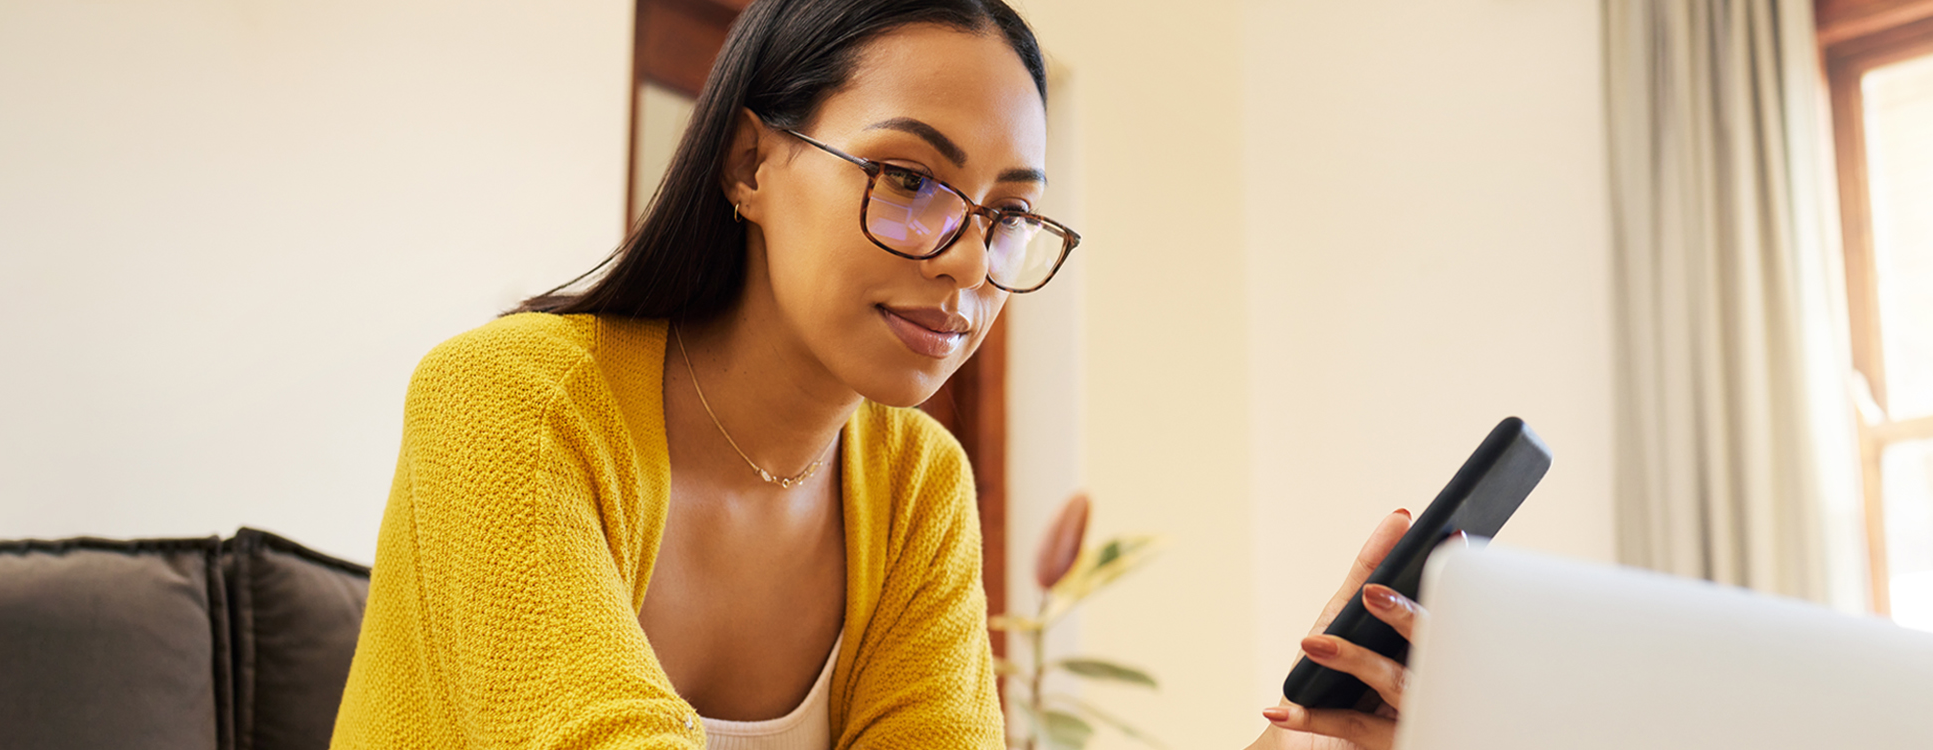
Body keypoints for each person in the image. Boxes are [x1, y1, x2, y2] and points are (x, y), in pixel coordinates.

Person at [329, 1, 1422, 749]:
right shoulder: (510, 400)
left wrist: (1295, 740)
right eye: (910, 178)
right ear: (751, 164)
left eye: (1006, 215)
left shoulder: (914, 485)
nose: (965, 260)